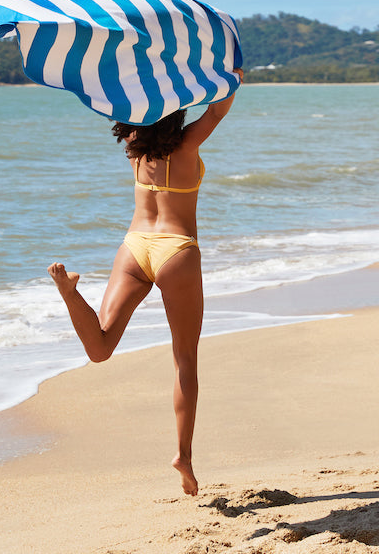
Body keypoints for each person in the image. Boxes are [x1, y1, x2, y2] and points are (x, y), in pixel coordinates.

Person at [48, 69, 243, 496]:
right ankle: (183, 454)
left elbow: (120, 99)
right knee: (185, 360)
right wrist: (229, 69)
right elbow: (222, 104)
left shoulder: (134, 148)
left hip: (134, 247)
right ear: (176, 113)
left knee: (100, 349)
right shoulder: (189, 143)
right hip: (177, 250)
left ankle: (70, 292)